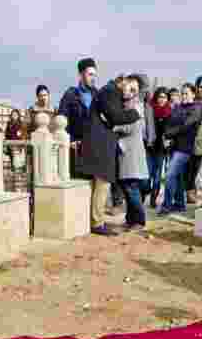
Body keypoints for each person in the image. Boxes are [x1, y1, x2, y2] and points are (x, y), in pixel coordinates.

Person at [75, 67, 140, 236]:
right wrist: (135, 113)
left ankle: (97, 220)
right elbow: (115, 117)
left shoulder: (110, 92)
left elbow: (111, 117)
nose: (131, 93)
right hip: (99, 144)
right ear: (122, 81)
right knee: (103, 182)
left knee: (101, 183)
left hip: (100, 142)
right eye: (130, 88)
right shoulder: (110, 91)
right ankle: (97, 223)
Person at [158, 83, 202, 215]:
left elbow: (186, 125)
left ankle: (166, 205)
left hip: (186, 148)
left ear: (193, 95)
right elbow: (169, 124)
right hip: (174, 146)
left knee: (170, 175)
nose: (183, 96)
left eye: (186, 93)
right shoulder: (178, 108)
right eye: (182, 93)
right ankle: (179, 204)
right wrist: (168, 133)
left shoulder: (197, 108)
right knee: (177, 177)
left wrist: (169, 133)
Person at [113, 75, 149, 230]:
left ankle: (139, 221)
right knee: (128, 187)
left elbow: (133, 127)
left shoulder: (136, 106)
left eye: (129, 88)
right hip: (127, 151)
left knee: (131, 187)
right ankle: (131, 219)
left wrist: (115, 127)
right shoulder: (127, 104)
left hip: (131, 151)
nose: (125, 90)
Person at [58, 58, 98, 174]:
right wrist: (71, 140)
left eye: (94, 75)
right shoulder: (70, 95)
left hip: (94, 149)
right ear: (81, 75)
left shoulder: (98, 94)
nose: (93, 78)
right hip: (75, 149)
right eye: (90, 74)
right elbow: (61, 119)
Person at [185, 74, 202, 206]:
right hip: (190, 140)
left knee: (200, 169)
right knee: (190, 169)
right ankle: (190, 193)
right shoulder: (191, 101)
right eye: (200, 87)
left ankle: (200, 194)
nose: (201, 89)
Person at [146, 87, 172, 209]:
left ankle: (153, 199)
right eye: (160, 97)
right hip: (150, 147)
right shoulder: (150, 111)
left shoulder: (169, 112)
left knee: (157, 177)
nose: (162, 100)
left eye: (164, 97)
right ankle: (145, 192)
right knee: (147, 175)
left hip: (161, 150)